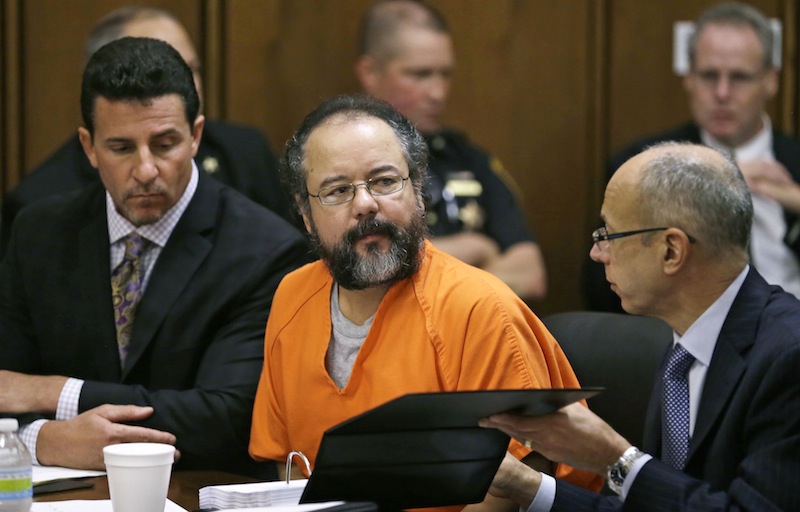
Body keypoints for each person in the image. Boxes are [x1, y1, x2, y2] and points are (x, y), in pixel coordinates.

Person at [248, 94, 602, 510]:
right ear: (305, 213)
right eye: (338, 190)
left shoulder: (480, 309)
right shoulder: (292, 296)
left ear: (417, 189)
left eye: (383, 182)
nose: (365, 204)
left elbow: (510, 488)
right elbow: (289, 469)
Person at [0, 37, 309, 479]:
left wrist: (56, 393)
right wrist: (43, 440)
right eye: (121, 148)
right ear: (88, 147)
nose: (145, 170)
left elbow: (225, 417)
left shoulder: (264, 249)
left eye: (164, 144)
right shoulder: (39, 234)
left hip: (195, 491)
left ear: (196, 135)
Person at [482, 142, 800, 511]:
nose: (597, 253)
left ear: (671, 251)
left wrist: (617, 459)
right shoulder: (685, 347)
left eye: (609, 235)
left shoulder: (789, 356)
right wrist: (527, 485)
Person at [0, 6, 298, 256]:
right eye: (157, 71)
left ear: (194, 136)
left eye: (189, 69)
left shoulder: (244, 153)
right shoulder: (39, 208)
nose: (145, 170)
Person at [585, 2, 800, 311]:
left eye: (739, 77)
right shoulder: (641, 164)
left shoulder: (794, 164)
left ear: (771, 80)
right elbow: (599, 288)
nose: (723, 93)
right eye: (709, 76)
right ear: (689, 78)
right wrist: (718, 185)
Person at [354, 0, 547, 303]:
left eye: (445, 74)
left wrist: (417, 272)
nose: (438, 93)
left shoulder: (469, 160)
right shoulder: (340, 166)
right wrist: (473, 247)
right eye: (420, 74)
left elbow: (530, 274)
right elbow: (363, 274)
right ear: (370, 72)